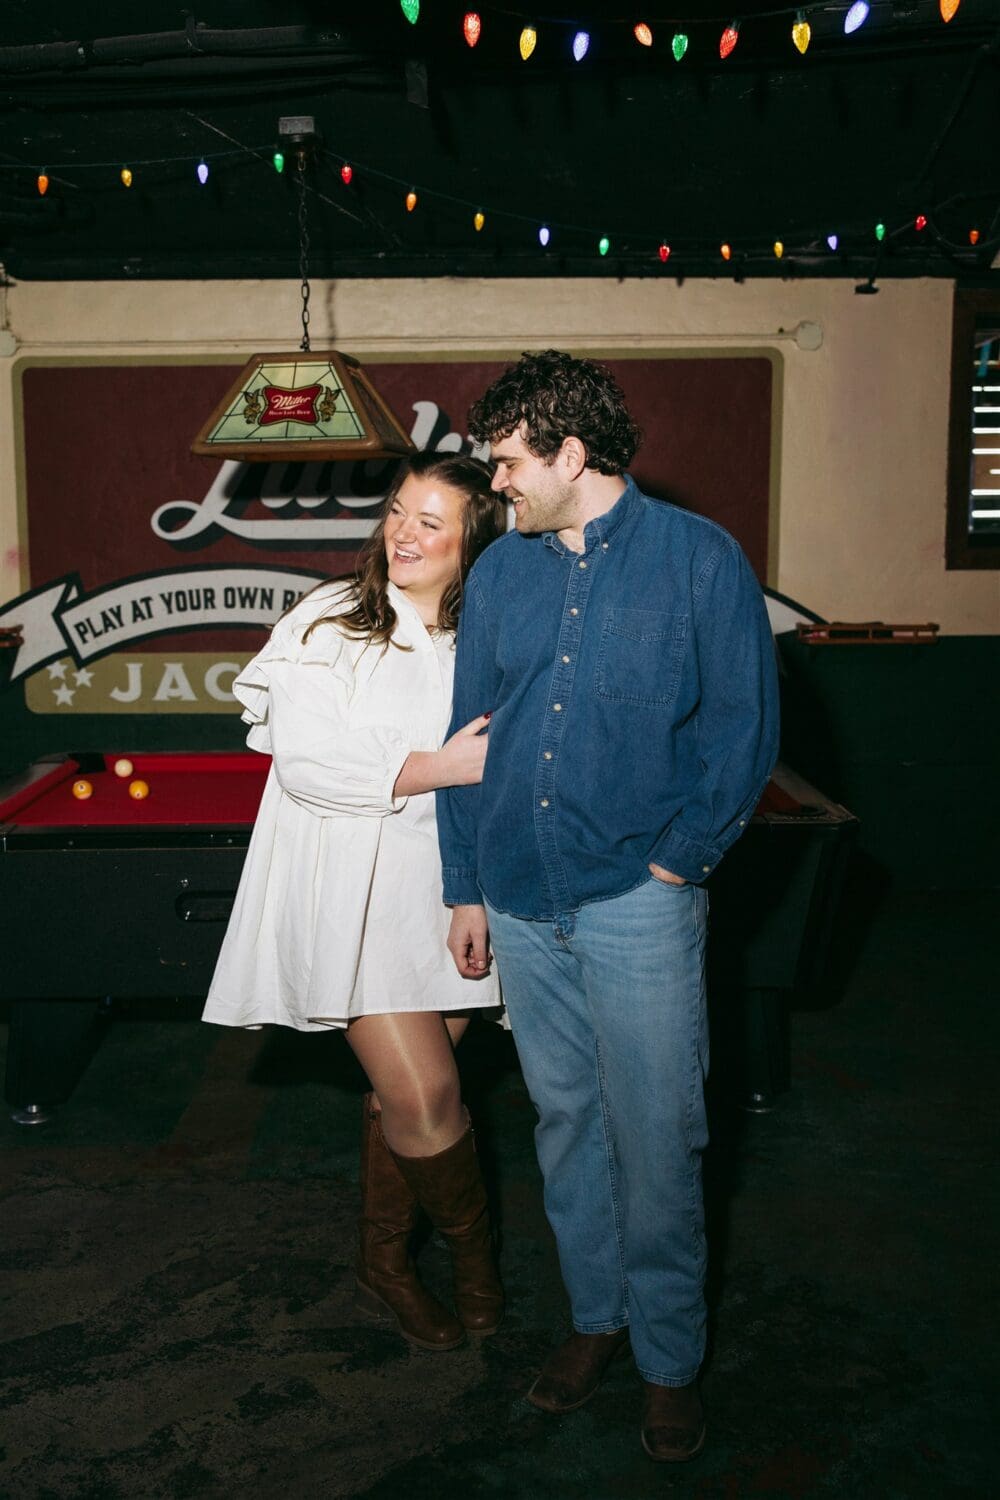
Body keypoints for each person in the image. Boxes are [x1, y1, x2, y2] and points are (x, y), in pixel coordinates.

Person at [438, 351, 780, 1461]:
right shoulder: (500, 575)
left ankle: (669, 1358)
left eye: (505, 464)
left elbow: (741, 727)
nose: (498, 486)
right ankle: (597, 1323)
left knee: (660, 1135)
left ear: (568, 454)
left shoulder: (700, 561)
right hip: (523, 901)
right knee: (567, 1126)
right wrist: (466, 885)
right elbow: (466, 745)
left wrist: (681, 861)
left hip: (639, 900)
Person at [204, 450, 507, 1352]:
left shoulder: (486, 636)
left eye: (431, 523)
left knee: (404, 1100)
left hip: (446, 895)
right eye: (399, 513)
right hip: (348, 889)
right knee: (430, 1093)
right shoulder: (330, 617)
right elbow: (306, 761)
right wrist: (440, 767)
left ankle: (383, 1261)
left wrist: (478, 896)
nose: (403, 534)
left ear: (472, 547)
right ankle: (475, 1260)